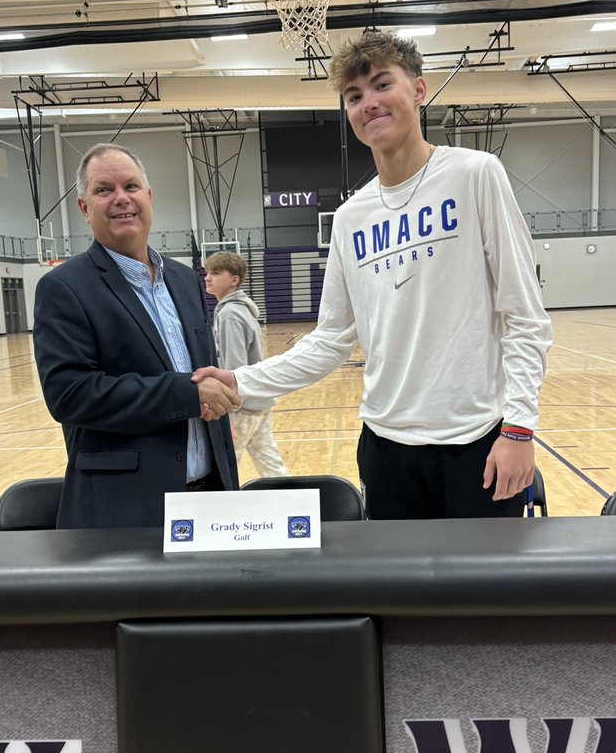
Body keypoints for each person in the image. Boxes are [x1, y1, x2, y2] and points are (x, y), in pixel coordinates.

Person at [193, 30, 552, 519]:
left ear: (419, 91)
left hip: (478, 442)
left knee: (481, 596)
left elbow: (524, 315)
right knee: (397, 597)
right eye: (355, 96)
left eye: (383, 85)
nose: (370, 103)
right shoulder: (350, 217)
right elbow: (331, 340)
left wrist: (519, 429)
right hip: (387, 449)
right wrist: (240, 379)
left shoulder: (475, 174)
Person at [33, 143, 239, 528]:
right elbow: (70, 395)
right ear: (83, 208)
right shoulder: (63, 287)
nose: (121, 199)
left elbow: (201, 374)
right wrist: (186, 395)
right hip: (125, 507)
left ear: (149, 196)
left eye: (131, 186)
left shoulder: (184, 280)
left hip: (211, 495)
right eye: (103, 190)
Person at [204, 250, 290, 479]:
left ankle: (221, 511)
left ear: (234, 280)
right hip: (257, 399)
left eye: (215, 272)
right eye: (206, 273)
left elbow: (235, 368)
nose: (207, 278)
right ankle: (294, 505)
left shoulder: (230, 314)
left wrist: (230, 414)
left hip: (243, 405)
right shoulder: (239, 309)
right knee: (270, 464)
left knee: (225, 464)